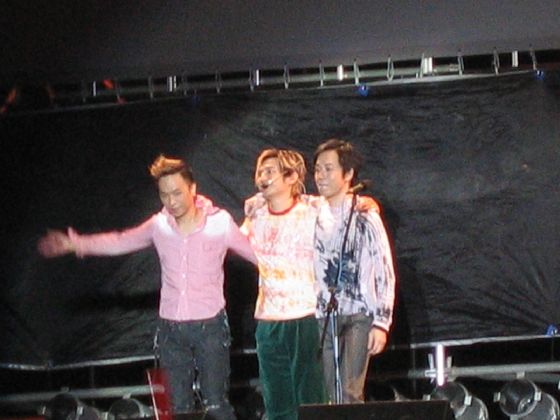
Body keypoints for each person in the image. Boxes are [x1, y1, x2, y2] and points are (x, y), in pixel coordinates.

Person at [37, 155, 257, 420]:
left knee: (216, 405)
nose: (171, 201)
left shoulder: (219, 223)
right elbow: (120, 241)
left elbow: (257, 255)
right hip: (171, 329)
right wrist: (75, 244)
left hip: (210, 326)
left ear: (193, 188)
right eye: (164, 195)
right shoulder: (158, 225)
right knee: (179, 408)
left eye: (177, 193)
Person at [241, 148, 327, 420]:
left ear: (291, 177)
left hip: (304, 314)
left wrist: (362, 203)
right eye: (260, 172)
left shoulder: (311, 210)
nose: (262, 177)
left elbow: (339, 209)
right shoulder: (256, 216)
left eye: (270, 172)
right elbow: (233, 244)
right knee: (276, 400)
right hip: (268, 318)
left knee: (310, 397)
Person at [313, 139, 396, 404]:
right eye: (317, 169)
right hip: (324, 315)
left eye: (328, 169)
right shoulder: (311, 212)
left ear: (348, 173)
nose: (320, 176)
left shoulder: (364, 214)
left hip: (358, 314)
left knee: (350, 392)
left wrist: (381, 323)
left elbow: (384, 269)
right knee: (329, 395)